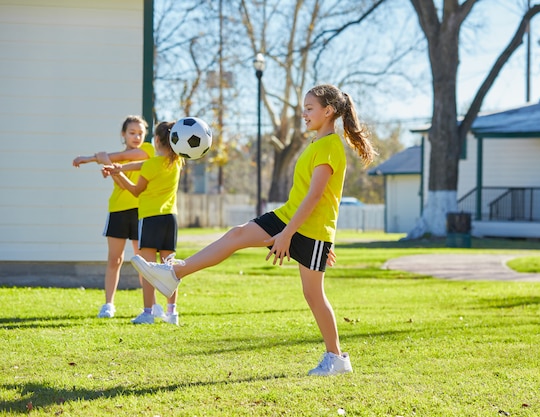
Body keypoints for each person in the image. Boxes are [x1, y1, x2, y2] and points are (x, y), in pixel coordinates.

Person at [130, 84, 377, 375]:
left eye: (309, 109)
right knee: (237, 234)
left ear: (328, 111)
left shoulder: (330, 146)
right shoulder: (316, 144)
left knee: (313, 294)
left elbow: (317, 196)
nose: (304, 114)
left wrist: (291, 236)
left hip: (307, 229)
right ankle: (174, 272)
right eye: (304, 108)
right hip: (290, 217)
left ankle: (336, 358)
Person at [72, 115, 158, 319]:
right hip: (118, 210)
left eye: (140, 133)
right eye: (132, 133)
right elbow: (122, 184)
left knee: (142, 261)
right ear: (123, 134)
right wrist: (105, 162)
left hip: (141, 211)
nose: (137, 137)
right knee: (114, 259)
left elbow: (118, 161)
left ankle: (152, 306)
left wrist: (92, 158)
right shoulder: (116, 157)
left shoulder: (147, 150)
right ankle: (108, 305)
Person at [103, 121, 183, 325]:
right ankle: (172, 313)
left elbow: (136, 190)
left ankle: (148, 312)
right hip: (170, 220)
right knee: (169, 266)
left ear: (156, 140)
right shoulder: (177, 162)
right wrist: (120, 167)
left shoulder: (151, 165)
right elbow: (142, 165)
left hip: (150, 218)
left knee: (148, 268)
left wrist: (119, 173)